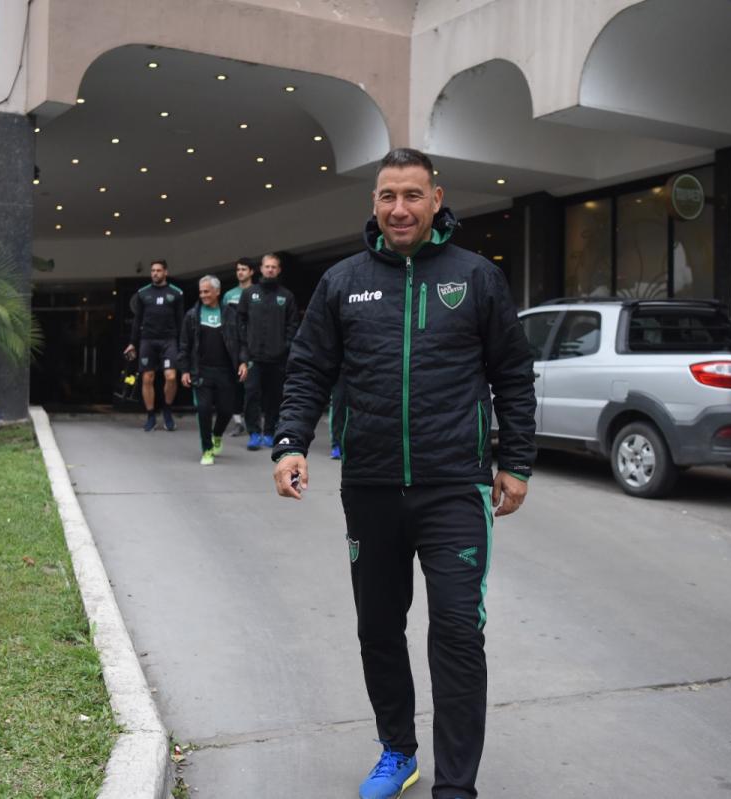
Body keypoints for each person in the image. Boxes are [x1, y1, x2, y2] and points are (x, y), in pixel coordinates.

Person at [271, 148, 536, 799]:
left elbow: (512, 373)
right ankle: (398, 750)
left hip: (455, 485)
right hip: (371, 486)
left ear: (436, 198)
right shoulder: (343, 282)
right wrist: (290, 441)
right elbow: (309, 368)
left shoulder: (476, 277)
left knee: (454, 631)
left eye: (412, 195)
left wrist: (517, 460)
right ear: (374, 203)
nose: (399, 208)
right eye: (388, 195)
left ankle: (456, 786)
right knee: (378, 626)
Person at [179, 275, 245, 465]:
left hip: (226, 371)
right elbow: (184, 345)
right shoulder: (192, 315)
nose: (203, 295)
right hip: (201, 371)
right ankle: (207, 449)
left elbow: (242, 341)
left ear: (217, 291)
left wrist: (242, 362)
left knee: (226, 410)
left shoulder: (231, 314)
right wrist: (184, 370)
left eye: (207, 291)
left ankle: (217, 435)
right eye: (201, 292)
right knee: (203, 409)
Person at [237, 252, 299, 450]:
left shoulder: (286, 296)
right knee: (251, 395)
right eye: (267, 266)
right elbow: (241, 323)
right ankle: (254, 433)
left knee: (274, 397)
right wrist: (244, 353)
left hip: (277, 358)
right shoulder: (249, 294)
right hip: (253, 356)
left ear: (278, 270)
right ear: (261, 269)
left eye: (274, 267)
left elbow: (293, 325)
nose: (270, 269)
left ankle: (270, 432)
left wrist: (285, 347)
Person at [123, 259, 184, 431]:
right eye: (153, 271)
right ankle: (150, 415)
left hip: (169, 339)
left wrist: (182, 345)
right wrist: (132, 343)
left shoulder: (176, 293)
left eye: (158, 270)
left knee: (171, 376)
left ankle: (167, 410)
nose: (155, 273)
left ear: (165, 272)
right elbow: (137, 321)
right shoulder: (143, 293)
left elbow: (181, 321)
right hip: (147, 340)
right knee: (147, 377)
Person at [223, 257, 261, 437]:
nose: (240, 272)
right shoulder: (229, 295)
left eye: (244, 269)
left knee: (253, 387)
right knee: (235, 386)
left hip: (255, 345)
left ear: (252, 272)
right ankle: (238, 422)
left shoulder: (258, 292)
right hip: (234, 346)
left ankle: (254, 422)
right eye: (238, 269)